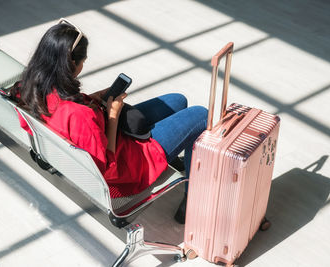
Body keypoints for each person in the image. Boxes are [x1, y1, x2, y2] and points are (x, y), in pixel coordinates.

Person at [12, 19, 207, 224]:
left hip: (93, 138)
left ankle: (174, 150)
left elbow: (62, 114)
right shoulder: (79, 116)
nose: (82, 66)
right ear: (71, 63)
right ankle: (191, 198)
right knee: (201, 114)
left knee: (177, 100)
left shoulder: (28, 89)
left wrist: (91, 99)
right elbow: (108, 167)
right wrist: (113, 116)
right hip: (126, 168)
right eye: (82, 61)